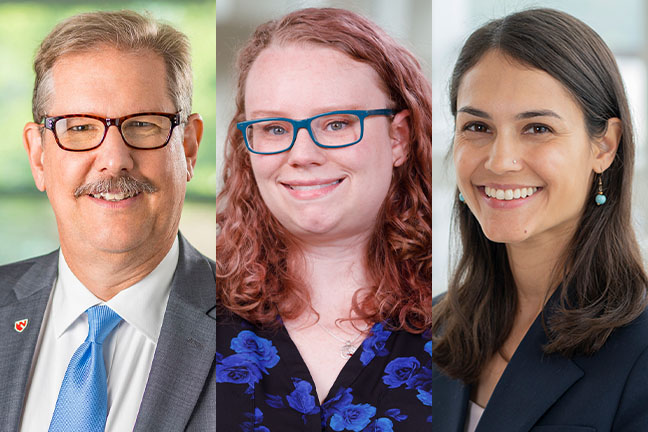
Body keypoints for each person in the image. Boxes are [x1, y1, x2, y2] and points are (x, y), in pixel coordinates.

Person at [432, 8, 648, 432]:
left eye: (537, 128)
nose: (500, 161)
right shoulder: (428, 326)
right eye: (477, 126)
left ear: (604, 145)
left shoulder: (640, 350)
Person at [216, 7, 432, 431]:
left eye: (336, 123)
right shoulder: (193, 309)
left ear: (397, 138)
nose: (302, 155)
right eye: (275, 129)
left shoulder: (457, 315)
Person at [0, 10, 214, 431]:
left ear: (188, 148)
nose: (114, 160)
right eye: (79, 128)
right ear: (39, 156)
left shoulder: (262, 334)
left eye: (143, 124)